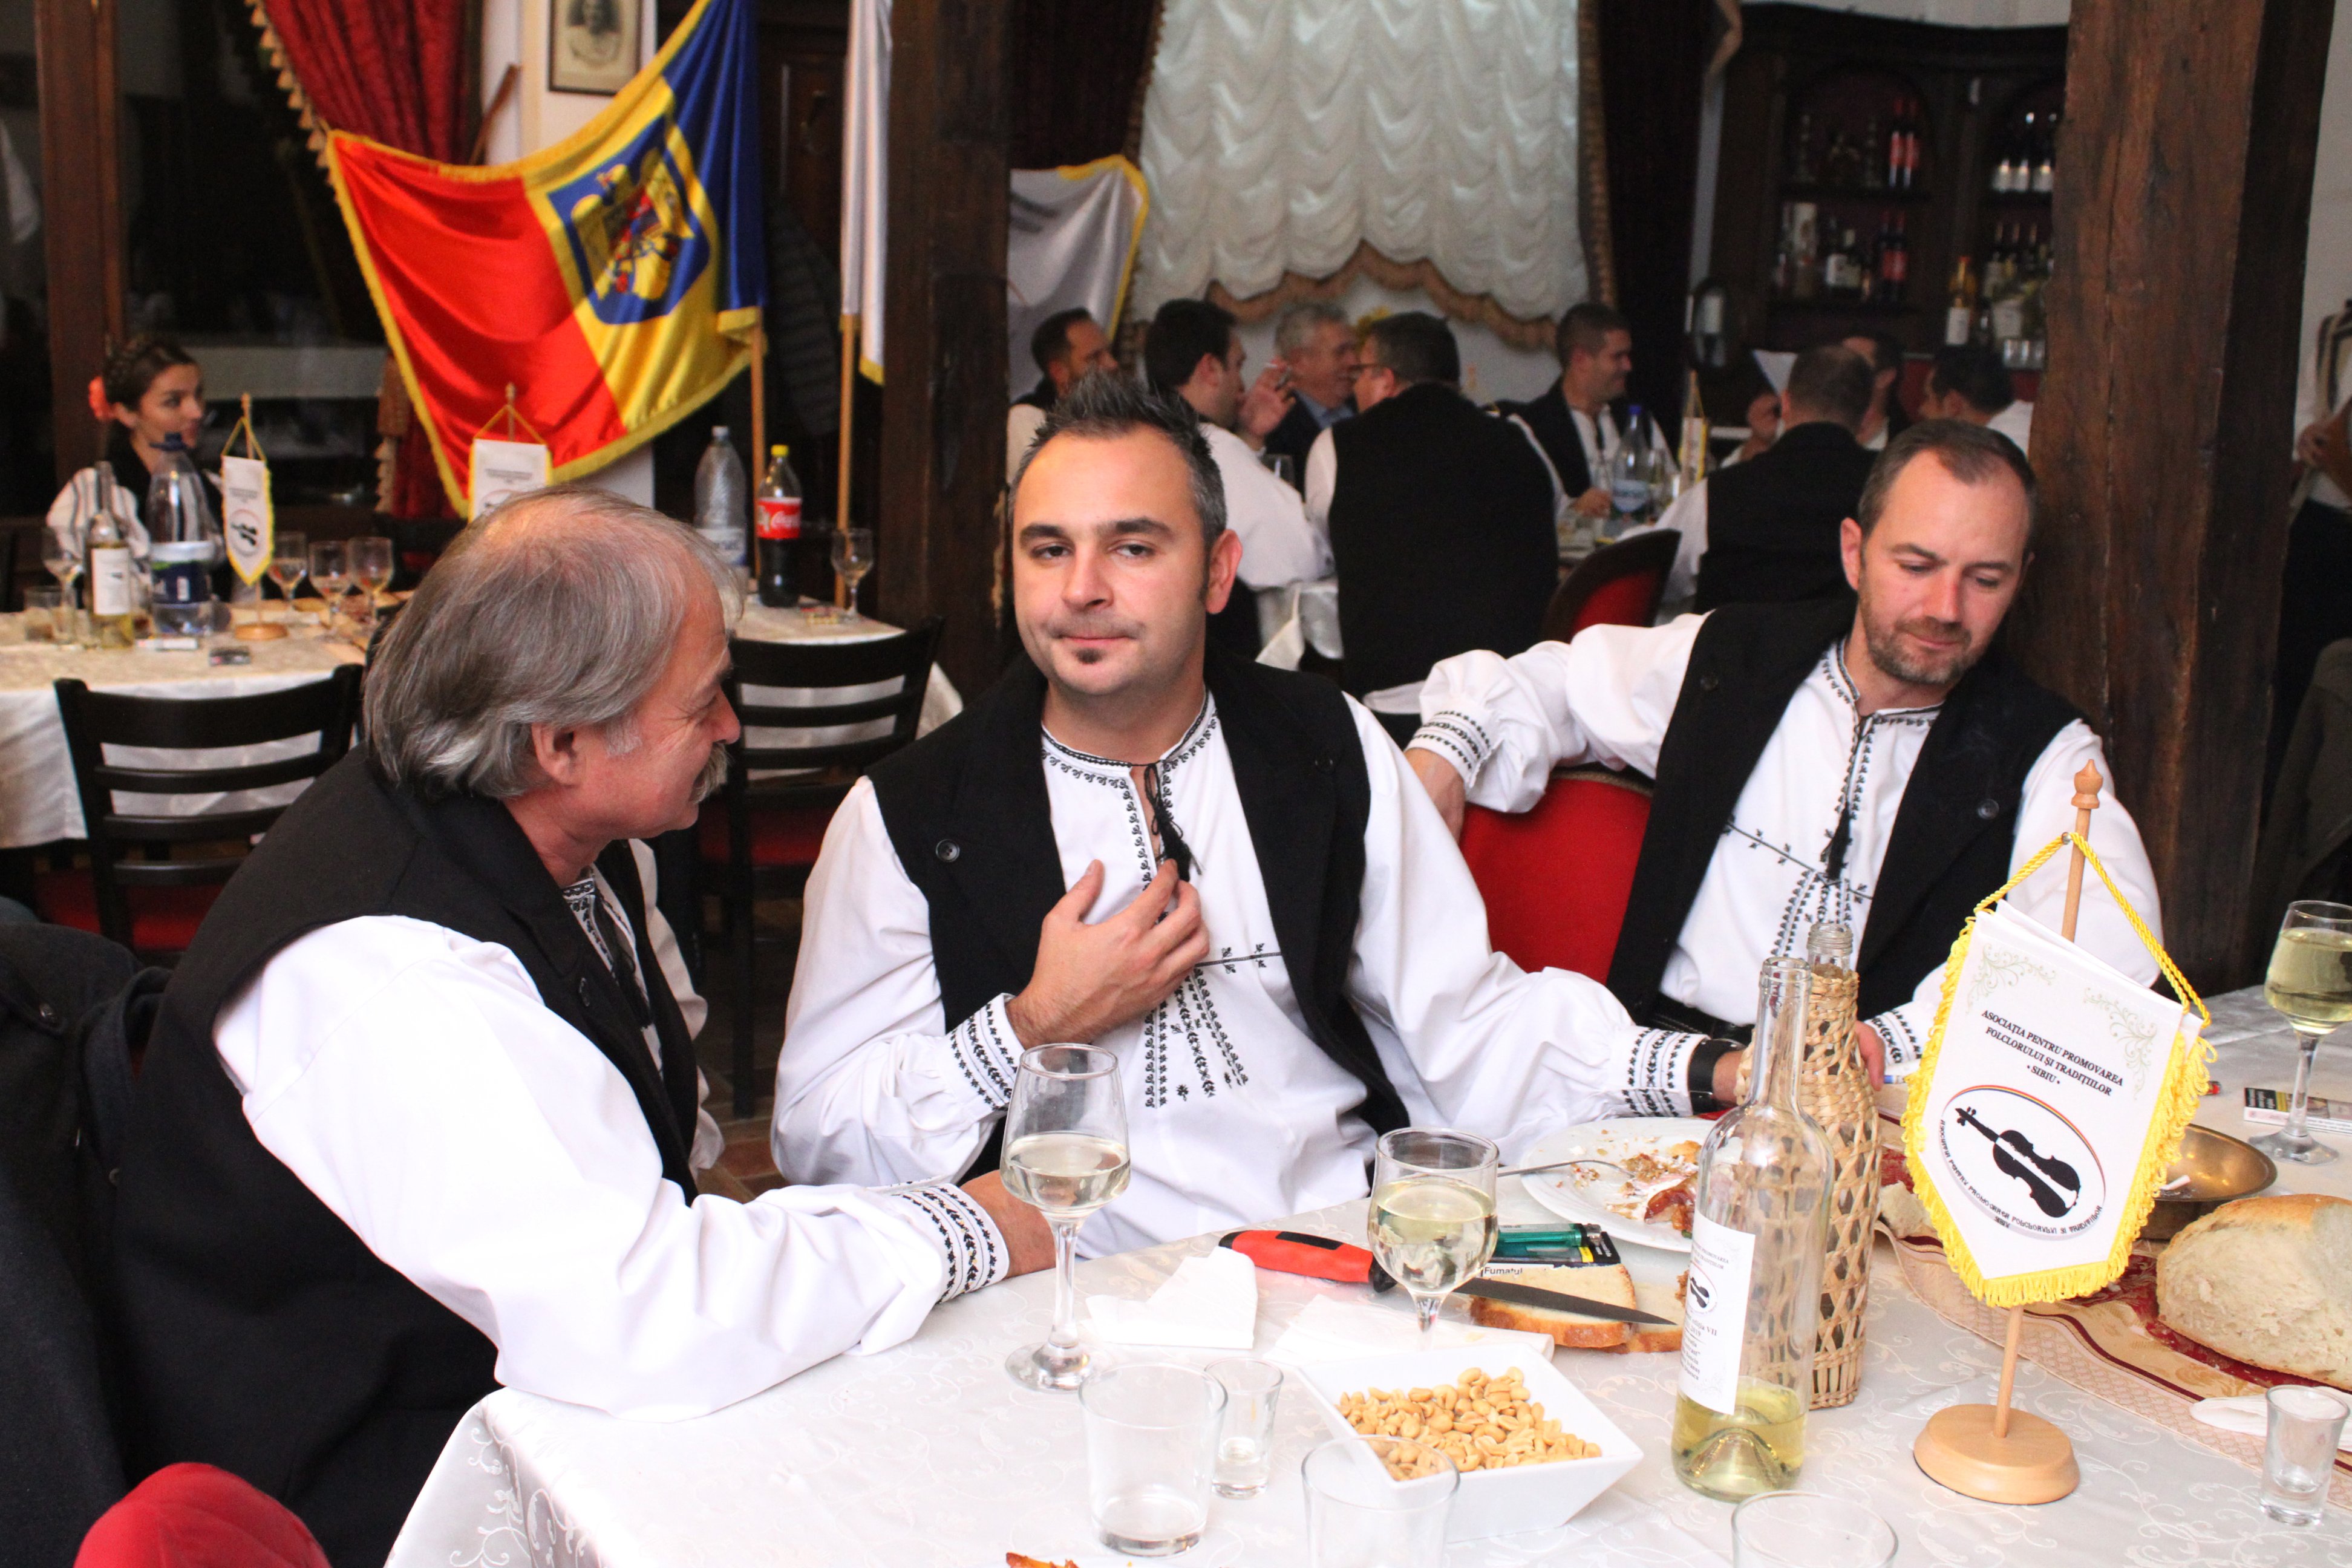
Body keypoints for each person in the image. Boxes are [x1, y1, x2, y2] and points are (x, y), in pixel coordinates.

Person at [108, 488, 1048, 1567]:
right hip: (364, 1493)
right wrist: (964, 1228)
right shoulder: (394, 973)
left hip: (520, 1391)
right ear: (559, 743)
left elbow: (660, 1138)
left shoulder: (568, 843)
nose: (730, 728)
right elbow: (642, 1317)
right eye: (703, 702)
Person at [774, 376, 1698, 1258]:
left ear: (1218, 573)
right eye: (1048, 549)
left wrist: (1700, 1072)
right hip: (1067, 1288)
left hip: (1338, 1254)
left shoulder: (1326, 744)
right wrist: (1032, 1022)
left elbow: (1464, 1025)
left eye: (1133, 548)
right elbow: (820, 1139)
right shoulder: (909, 814)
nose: (1082, 588)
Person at [1406, 421, 2162, 1086]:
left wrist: (1895, 1041)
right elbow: (1556, 680)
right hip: (1656, 1078)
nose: (1945, 608)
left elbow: (2108, 946)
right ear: (1854, 553)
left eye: (1985, 579)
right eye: (1916, 566)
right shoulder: (1732, 658)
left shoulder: (2044, 753)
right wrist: (1446, 750)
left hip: (1853, 1114)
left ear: (2020, 578)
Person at [1305, 312, 1557, 745]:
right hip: (1512, 701)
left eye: (1361, 372)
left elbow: (1321, 554)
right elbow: (1552, 515)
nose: (1355, 387)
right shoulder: (1519, 438)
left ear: (1385, 379)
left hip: (1398, 707)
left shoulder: (1337, 447)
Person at [1144, 298, 1327, 655]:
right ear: (1211, 368)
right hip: (1215, 657)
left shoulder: (1140, 436)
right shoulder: (1208, 445)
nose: (1242, 386)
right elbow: (1301, 558)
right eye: (1238, 365)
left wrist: (1249, 438)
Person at [1645, 343, 1878, 610]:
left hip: (1733, 637)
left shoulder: (1721, 492)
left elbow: (1657, 574)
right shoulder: (1889, 491)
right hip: (1839, 637)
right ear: (1867, 418)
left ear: (1785, 403)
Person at [2269, 296, 2352, 788]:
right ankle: (2288, 794)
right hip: (2319, 520)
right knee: (2298, 665)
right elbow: (2302, 407)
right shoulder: (2335, 333)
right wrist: (2307, 435)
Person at [47, 333, 206, 558]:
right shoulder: (98, 493)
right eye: (173, 402)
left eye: (198, 395)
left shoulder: (210, 486)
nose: (196, 412)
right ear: (127, 414)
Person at [1498, 301, 1632, 523]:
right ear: (1580, 359)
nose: (1628, 366)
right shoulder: (1532, 430)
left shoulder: (1636, 420)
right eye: (1618, 356)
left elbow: (1668, 489)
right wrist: (1574, 512)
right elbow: (1520, 517)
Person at [1007, 308, 1118, 485]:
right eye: (1095, 358)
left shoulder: (1121, 416)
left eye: (1109, 353)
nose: (1112, 364)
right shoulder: (1027, 419)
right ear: (1059, 372)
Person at [1262, 299, 1359, 470]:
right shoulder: (1275, 425)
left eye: (1354, 350)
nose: (1354, 362)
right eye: (1341, 352)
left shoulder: (1365, 403)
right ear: (1299, 362)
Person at [1921, 342, 2033, 452]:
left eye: (1928, 398)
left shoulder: (1991, 453)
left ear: (1954, 403)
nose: (1922, 410)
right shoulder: (2033, 419)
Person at [1843, 330, 1913, 451]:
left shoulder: (1909, 445)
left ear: (1884, 377)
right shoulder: (1815, 434)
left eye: (1855, 364)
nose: (1840, 371)